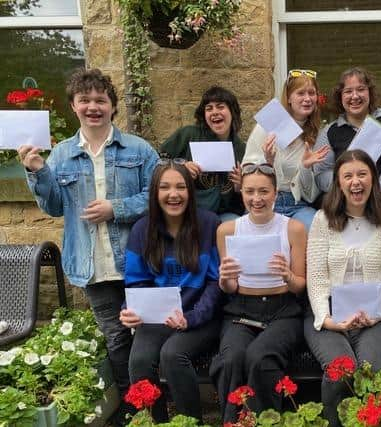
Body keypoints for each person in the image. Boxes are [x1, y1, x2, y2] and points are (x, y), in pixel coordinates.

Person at [17, 68, 158, 426]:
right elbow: (51, 206)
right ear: (74, 106)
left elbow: (159, 198)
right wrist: (36, 171)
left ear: (112, 106)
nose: (93, 106)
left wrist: (117, 208)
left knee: (146, 335)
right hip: (91, 265)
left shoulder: (139, 149)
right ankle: (132, 407)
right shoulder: (61, 154)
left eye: (101, 100)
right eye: (85, 100)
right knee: (115, 338)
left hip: (136, 261)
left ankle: (154, 403)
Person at [119, 160, 223, 422]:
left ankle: (190, 421)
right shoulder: (142, 230)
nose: (173, 194)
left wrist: (192, 317)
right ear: (155, 193)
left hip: (200, 316)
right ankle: (156, 420)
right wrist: (128, 311)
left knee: (173, 355)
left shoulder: (210, 224)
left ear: (191, 191)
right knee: (140, 360)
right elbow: (136, 283)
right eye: (165, 187)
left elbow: (216, 284)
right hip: (157, 318)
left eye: (180, 187)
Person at [210, 162, 307, 423]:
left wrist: (287, 275)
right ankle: (232, 421)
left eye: (264, 191)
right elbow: (230, 288)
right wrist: (226, 279)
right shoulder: (227, 230)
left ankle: (265, 420)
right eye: (249, 191)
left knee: (259, 356)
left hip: (283, 310)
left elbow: (300, 286)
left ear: (275, 193)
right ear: (241, 192)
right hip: (241, 310)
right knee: (230, 359)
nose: (256, 199)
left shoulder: (293, 229)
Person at [305, 149, 381, 427]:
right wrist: (327, 318)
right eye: (348, 176)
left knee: (377, 370)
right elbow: (317, 277)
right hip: (330, 311)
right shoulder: (322, 220)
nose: (356, 182)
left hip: (373, 314)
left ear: (373, 179)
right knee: (341, 369)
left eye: (362, 174)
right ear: (338, 182)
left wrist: (378, 314)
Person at [313, 67, 381, 215]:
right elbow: (321, 174)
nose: (355, 96)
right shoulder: (329, 132)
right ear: (340, 97)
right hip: (343, 199)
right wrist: (349, 194)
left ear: (370, 92)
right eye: (348, 91)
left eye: (361, 89)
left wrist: (370, 200)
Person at [242, 69, 328, 230]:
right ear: (288, 97)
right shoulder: (267, 125)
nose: (307, 99)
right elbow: (246, 171)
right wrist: (267, 162)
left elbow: (311, 194)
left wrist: (305, 167)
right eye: (300, 93)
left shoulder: (318, 133)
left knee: (314, 229)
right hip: (265, 202)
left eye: (312, 93)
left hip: (297, 204)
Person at [160, 86, 245, 221]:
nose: (215, 112)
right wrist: (181, 167)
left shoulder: (241, 149)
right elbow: (158, 162)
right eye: (209, 108)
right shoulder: (188, 134)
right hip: (187, 211)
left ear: (232, 112)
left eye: (220, 107)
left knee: (234, 225)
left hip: (224, 214)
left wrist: (240, 186)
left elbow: (244, 200)